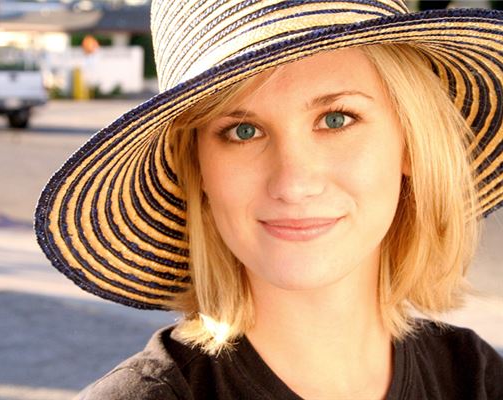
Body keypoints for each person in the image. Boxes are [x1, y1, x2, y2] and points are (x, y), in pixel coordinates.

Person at [34, 0, 503, 398]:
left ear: (410, 143)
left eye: (336, 119)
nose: (293, 183)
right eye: (243, 131)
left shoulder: (477, 379)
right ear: (197, 168)